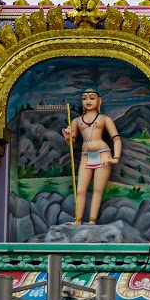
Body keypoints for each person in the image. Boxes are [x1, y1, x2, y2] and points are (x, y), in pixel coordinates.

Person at [63, 89, 121, 225]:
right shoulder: (77, 121)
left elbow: (116, 138)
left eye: (92, 98)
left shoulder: (104, 119)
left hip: (103, 154)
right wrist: (67, 137)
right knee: (80, 189)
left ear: (99, 100)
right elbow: (72, 142)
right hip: (86, 156)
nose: (88, 101)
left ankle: (92, 221)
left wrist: (115, 157)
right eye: (85, 98)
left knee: (97, 189)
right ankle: (78, 220)